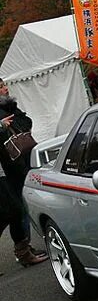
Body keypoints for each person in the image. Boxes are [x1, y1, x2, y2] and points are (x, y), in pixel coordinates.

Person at [0, 79, 47, 267]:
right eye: (0, 87)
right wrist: (1, 127)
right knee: (14, 210)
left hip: (17, 164)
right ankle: (23, 251)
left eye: (4, 85)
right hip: (8, 168)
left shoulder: (9, 107)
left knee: (18, 208)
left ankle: (25, 249)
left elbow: (26, 122)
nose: (5, 88)